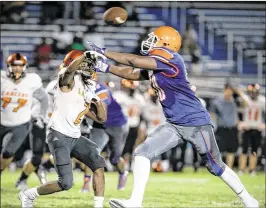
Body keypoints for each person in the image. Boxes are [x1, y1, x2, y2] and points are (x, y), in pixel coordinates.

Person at [87, 26, 259, 208]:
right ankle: (135, 202)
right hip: (175, 124)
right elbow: (131, 73)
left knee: (215, 165)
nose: (150, 42)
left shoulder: (170, 58)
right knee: (142, 152)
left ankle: (249, 200)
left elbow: (133, 60)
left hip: (195, 123)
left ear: (165, 42)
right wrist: (105, 67)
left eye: (154, 39)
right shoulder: (157, 63)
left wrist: (104, 52)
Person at [18, 50, 107, 208]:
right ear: (74, 63)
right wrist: (83, 57)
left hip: (75, 136)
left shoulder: (88, 87)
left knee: (99, 166)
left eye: (89, 65)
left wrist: (98, 103)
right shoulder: (66, 81)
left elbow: (102, 118)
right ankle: (28, 194)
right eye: (85, 65)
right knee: (66, 183)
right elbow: (70, 71)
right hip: (58, 135)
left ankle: (98, 206)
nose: (88, 68)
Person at [0, 53, 48, 176]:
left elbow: (43, 98)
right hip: (2, 120)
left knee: (7, 153)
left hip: (20, 124)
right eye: (14, 65)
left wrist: (41, 115)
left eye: (21, 66)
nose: (18, 69)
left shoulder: (31, 80)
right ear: (8, 66)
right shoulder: (2, 79)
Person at [80, 80, 129, 192]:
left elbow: (103, 116)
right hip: (100, 126)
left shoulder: (101, 90)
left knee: (114, 159)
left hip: (116, 124)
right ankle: (86, 186)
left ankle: (123, 173)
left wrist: (83, 112)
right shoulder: (80, 88)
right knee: (91, 154)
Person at [210, 83, 248, 169]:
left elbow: (247, 104)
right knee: (218, 150)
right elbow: (211, 114)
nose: (229, 93)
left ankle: (229, 169)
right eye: (228, 90)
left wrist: (240, 93)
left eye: (231, 91)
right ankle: (217, 169)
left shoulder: (236, 101)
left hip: (233, 129)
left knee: (231, 151)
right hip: (221, 129)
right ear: (224, 90)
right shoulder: (217, 101)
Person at [15, 98, 48, 190]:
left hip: (49, 125)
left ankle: (39, 174)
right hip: (38, 123)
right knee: (36, 157)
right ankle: (21, 180)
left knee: (46, 155)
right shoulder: (53, 88)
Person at [238, 84, 265, 175]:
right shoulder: (245, 99)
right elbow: (239, 111)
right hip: (246, 128)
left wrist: (264, 124)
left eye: (255, 92)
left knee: (254, 150)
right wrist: (241, 122)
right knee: (244, 149)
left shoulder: (262, 100)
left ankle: (252, 169)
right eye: (252, 92)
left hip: (257, 128)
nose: (253, 94)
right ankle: (242, 169)